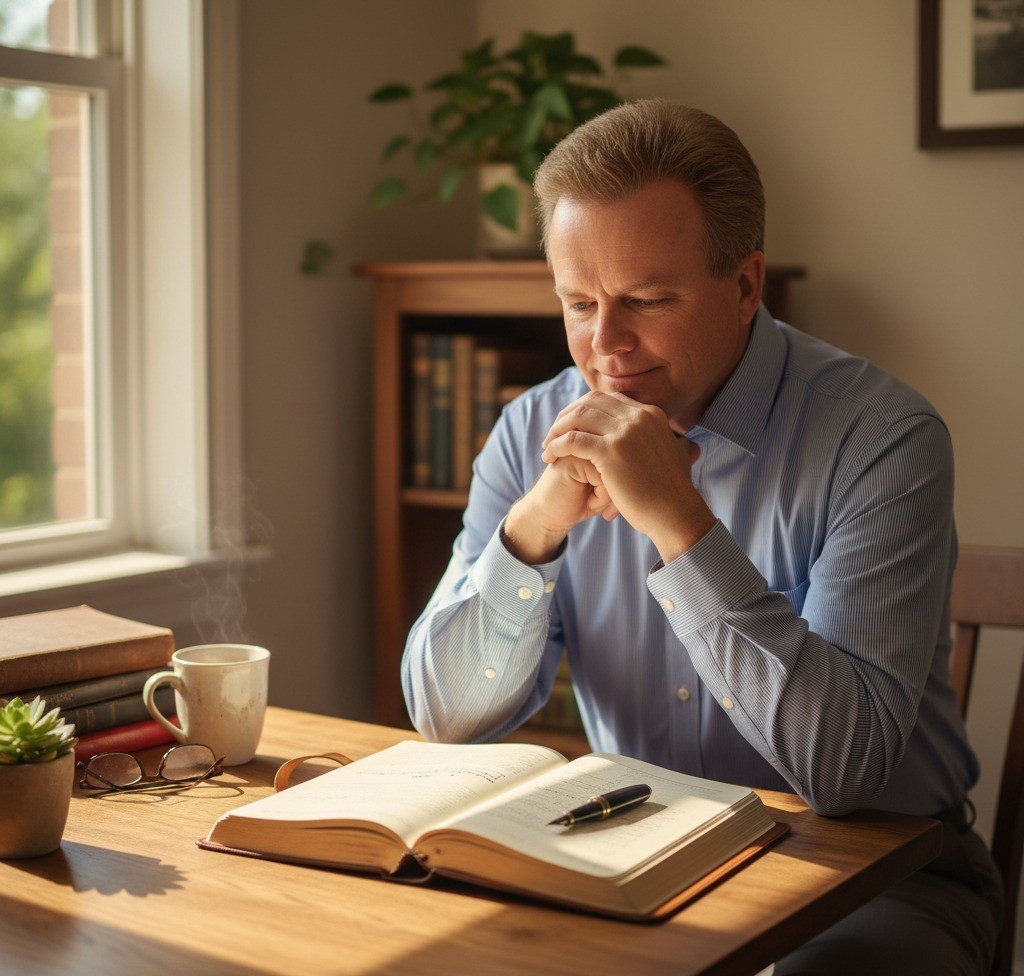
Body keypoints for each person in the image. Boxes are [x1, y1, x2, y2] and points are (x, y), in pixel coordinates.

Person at [401, 100, 1002, 974]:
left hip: (884, 881)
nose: (603, 345)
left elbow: (841, 770)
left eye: (646, 299)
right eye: (578, 302)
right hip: (628, 860)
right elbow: (445, 718)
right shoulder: (532, 429)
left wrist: (677, 521)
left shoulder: (883, 441)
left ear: (747, 283)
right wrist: (531, 532)